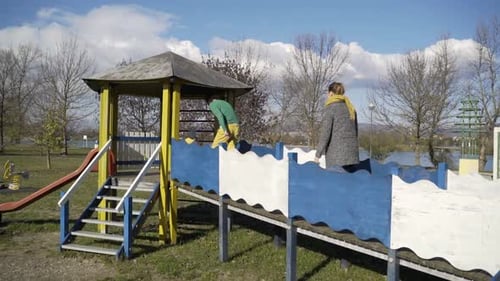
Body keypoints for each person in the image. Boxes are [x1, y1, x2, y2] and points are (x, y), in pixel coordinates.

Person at [314, 82, 359, 172]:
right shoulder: (351, 108)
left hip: (336, 156)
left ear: (331, 93)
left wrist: (318, 154)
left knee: (336, 183)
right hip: (352, 155)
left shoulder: (331, 108)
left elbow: (325, 133)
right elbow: (356, 131)